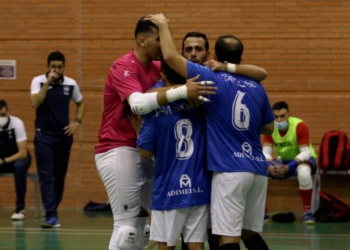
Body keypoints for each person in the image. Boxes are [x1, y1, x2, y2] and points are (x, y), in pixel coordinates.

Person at [95, 17, 262, 250]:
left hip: (166, 162)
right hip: (119, 146)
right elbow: (138, 104)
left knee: (144, 230)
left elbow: (165, 85)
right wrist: (183, 91)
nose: (164, 46)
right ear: (142, 41)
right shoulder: (124, 66)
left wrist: (190, 87)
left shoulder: (167, 70)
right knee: (128, 229)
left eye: (198, 49)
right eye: (158, 40)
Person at [145, 13, 275, 250]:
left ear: (211, 55)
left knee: (226, 236)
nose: (193, 53)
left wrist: (163, 24)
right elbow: (268, 126)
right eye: (189, 49)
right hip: (256, 165)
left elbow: (170, 56)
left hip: (227, 169)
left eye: (199, 49)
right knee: (247, 231)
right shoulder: (255, 85)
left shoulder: (210, 79)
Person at [135, 59, 212, 250]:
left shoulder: (156, 108)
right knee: (196, 244)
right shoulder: (201, 104)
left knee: (166, 246)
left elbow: (144, 152)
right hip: (199, 187)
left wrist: (136, 126)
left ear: (162, 77)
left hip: (168, 189)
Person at [30, 51, 85, 228]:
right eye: (53, 67)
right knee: (46, 175)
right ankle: (51, 215)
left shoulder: (71, 84)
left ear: (64, 67)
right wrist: (48, 82)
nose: (56, 70)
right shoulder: (38, 81)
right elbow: (35, 103)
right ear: (48, 66)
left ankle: (53, 210)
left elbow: (81, 103)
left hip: (63, 136)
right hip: (43, 135)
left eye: (60, 67)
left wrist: (76, 122)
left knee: (59, 176)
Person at [262, 101, 317, 224]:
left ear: (288, 115)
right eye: (276, 117)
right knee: (259, 171)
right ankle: (262, 212)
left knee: (303, 172)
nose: (279, 120)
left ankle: (307, 212)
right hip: (282, 162)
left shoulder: (299, 125)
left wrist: (289, 166)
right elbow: (265, 152)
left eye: (282, 116)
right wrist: (270, 166)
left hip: (302, 159)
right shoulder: (270, 127)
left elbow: (305, 152)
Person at [0, 100, 32, 220]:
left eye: (3, 115)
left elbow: (23, 153)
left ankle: (20, 208)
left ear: (7, 111)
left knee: (19, 167)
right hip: (3, 160)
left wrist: (4, 161)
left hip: (19, 158)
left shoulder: (17, 123)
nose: (1, 118)